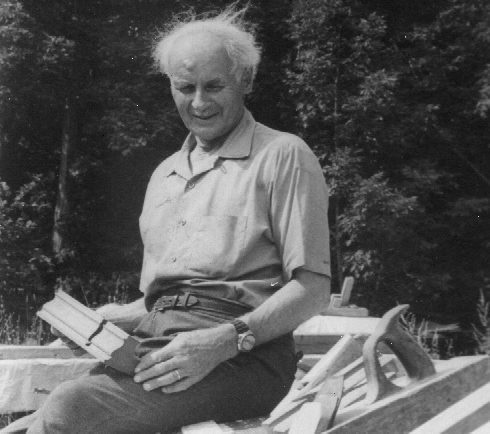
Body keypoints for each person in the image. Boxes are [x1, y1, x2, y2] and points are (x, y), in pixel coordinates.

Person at [28, 5, 330, 434]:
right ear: (170, 86)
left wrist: (224, 340)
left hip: (246, 358)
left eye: (214, 86)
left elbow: (312, 289)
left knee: (72, 408)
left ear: (245, 80)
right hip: (160, 344)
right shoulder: (164, 175)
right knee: (41, 420)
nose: (199, 102)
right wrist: (109, 321)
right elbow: (166, 301)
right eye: (185, 87)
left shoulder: (282, 154)